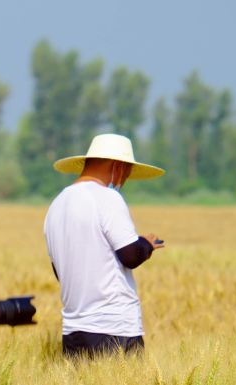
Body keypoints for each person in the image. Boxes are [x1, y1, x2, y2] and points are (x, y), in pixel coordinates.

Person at [44, 133, 166, 358]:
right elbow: (130, 256)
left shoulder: (56, 206)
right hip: (114, 329)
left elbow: (61, 272)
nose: (125, 179)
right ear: (118, 166)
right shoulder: (107, 198)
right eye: (127, 172)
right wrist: (146, 245)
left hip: (73, 331)